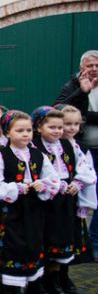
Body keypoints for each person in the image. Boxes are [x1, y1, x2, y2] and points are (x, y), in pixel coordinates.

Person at [0, 110, 58, 294]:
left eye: (28, 130)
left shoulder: (38, 155)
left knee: (32, 243)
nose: (25, 134)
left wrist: (42, 185)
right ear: (8, 133)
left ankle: (24, 287)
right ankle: (7, 290)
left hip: (33, 209)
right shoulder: (0, 156)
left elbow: (53, 179)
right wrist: (16, 188)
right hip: (11, 210)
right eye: (20, 130)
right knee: (11, 245)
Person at [32, 106, 93, 294]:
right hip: (46, 200)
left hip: (66, 199)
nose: (59, 131)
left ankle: (56, 278)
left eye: (61, 127)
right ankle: (40, 281)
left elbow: (83, 167)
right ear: (39, 127)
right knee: (45, 239)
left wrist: (77, 182)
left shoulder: (68, 146)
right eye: (54, 127)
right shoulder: (35, 147)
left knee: (63, 239)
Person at [54, 51, 98, 257]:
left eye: (97, 65)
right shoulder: (71, 85)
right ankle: (79, 244)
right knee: (77, 198)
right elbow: (58, 109)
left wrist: (88, 117)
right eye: (90, 66)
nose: (94, 69)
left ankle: (94, 241)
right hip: (79, 148)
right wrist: (82, 92)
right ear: (82, 68)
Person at [59, 104, 98, 270]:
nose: (72, 128)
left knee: (72, 232)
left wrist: (79, 183)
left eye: (76, 124)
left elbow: (87, 170)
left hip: (74, 194)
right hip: (58, 193)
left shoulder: (81, 147)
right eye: (68, 124)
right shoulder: (55, 145)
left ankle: (67, 269)